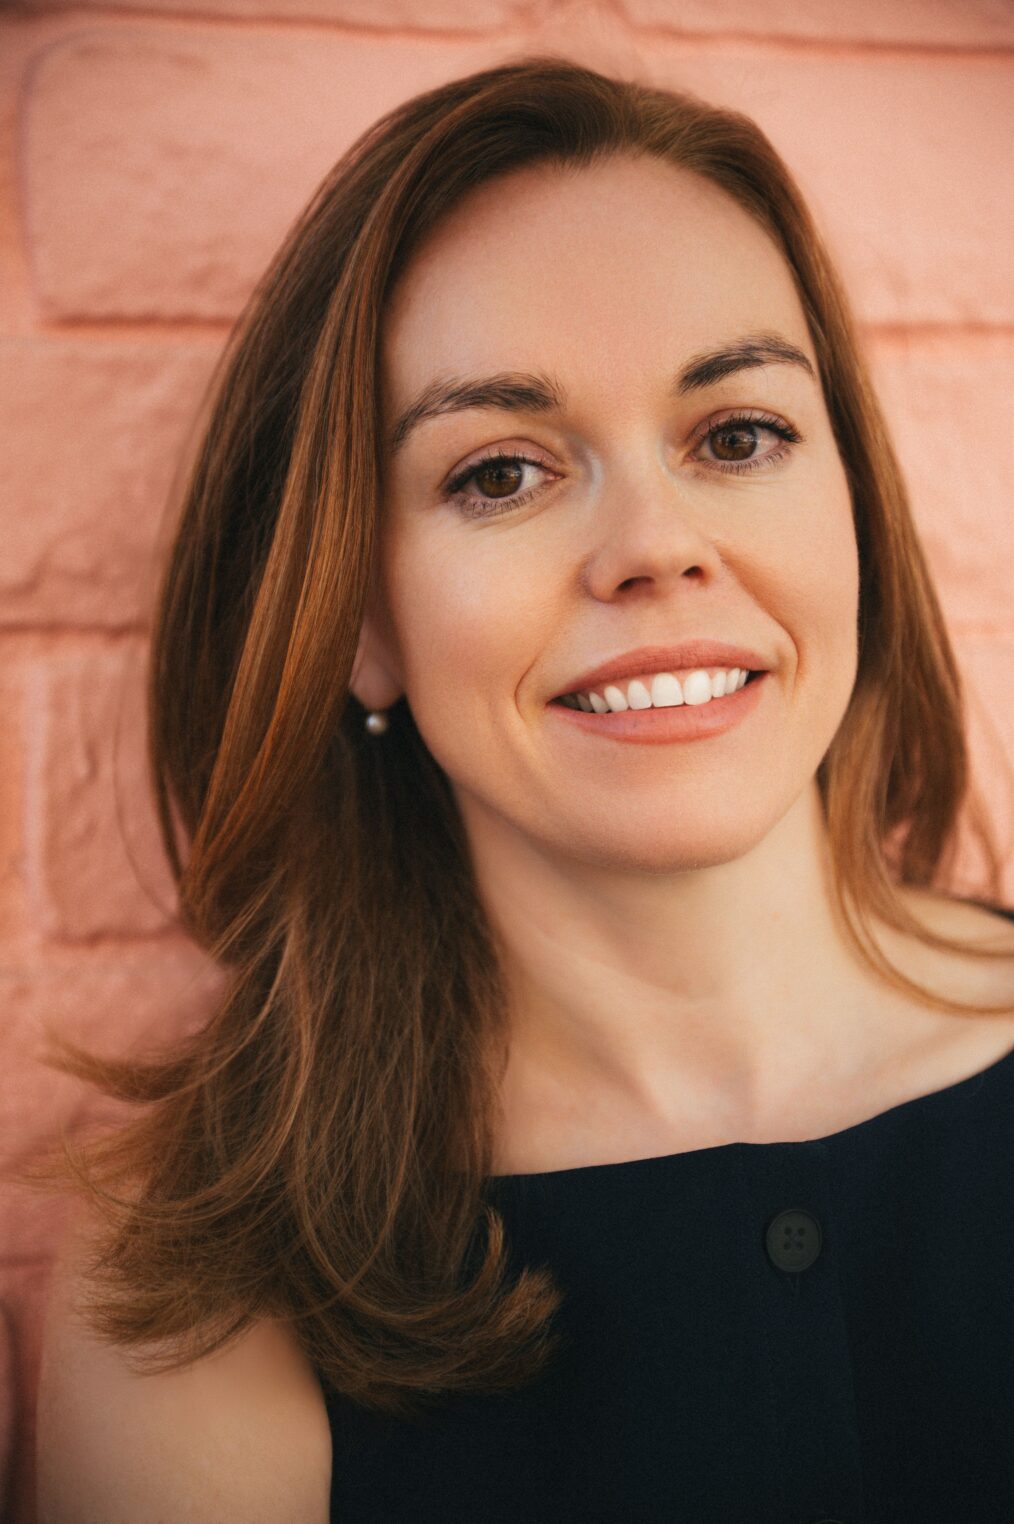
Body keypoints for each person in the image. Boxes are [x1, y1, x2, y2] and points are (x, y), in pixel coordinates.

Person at [34, 55, 1014, 1524]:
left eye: (736, 435)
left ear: (852, 509)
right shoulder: (196, 1285)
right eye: (499, 471)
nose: (653, 544)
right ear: (357, 618)